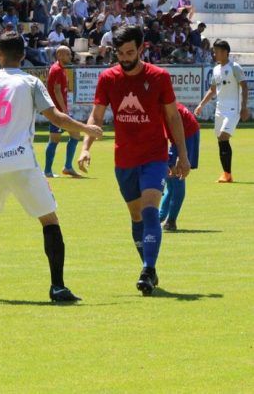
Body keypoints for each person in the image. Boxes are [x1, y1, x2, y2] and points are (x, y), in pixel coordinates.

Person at [0, 32, 102, 300]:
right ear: (23, 56)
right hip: (21, 163)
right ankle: (57, 287)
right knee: (49, 220)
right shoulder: (31, 82)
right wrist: (86, 128)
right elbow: (55, 116)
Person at [78, 26, 191, 296]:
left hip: (154, 156)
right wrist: (85, 147)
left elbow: (173, 117)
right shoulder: (108, 78)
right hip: (124, 159)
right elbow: (95, 116)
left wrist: (183, 154)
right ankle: (148, 266)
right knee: (136, 216)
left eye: (130, 52)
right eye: (120, 53)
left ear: (141, 49)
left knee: (151, 210)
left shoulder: (159, 77)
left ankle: (148, 269)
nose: (125, 57)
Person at [194, 39, 249, 183]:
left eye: (217, 51)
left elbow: (244, 87)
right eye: (214, 51)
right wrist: (201, 105)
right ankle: (226, 174)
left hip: (233, 109)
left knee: (224, 137)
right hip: (220, 109)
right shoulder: (216, 69)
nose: (214, 54)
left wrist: (243, 107)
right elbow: (212, 90)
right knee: (220, 140)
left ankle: (227, 173)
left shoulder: (235, 67)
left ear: (225, 52)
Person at [160, 103, 200, 231]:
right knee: (170, 180)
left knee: (176, 177)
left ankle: (170, 221)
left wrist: (178, 157)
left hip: (187, 134)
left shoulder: (158, 108)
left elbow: (161, 139)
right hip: (184, 131)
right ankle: (159, 217)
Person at [44, 45, 82, 178]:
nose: (70, 56)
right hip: (58, 112)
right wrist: (64, 111)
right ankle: (53, 170)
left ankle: (63, 168)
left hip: (58, 110)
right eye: (67, 54)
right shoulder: (57, 70)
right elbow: (56, 90)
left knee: (71, 135)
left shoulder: (58, 68)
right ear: (60, 55)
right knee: (59, 138)